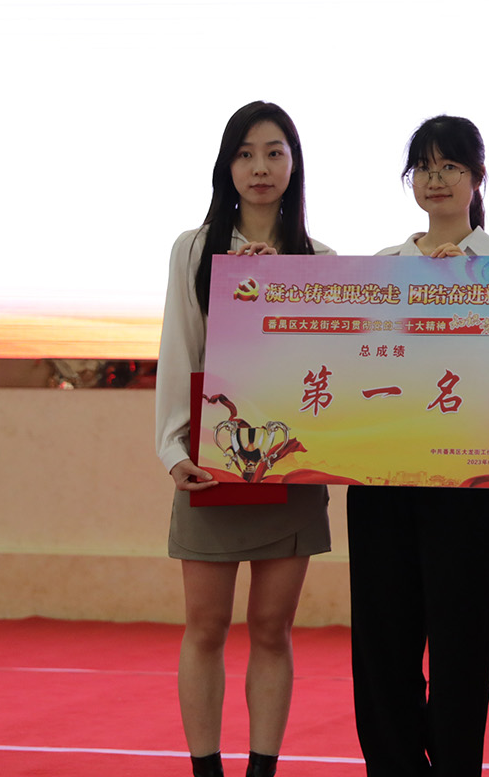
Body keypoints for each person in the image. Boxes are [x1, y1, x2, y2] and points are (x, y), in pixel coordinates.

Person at [155, 100, 334, 777]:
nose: (260, 167)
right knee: (205, 626)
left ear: (294, 164)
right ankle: (206, 769)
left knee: (271, 629)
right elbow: (179, 349)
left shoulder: (319, 261)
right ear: (226, 166)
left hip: (288, 468)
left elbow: (327, 375)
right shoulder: (195, 249)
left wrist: (283, 285)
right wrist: (173, 450)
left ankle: (263, 769)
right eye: (245, 153)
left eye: (274, 153)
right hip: (211, 463)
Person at [348, 115, 489, 777]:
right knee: (382, 644)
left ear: (478, 178)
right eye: (424, 167)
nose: (436, 180)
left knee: (461, 644)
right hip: (381, 484)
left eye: (451, 167)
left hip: (468, 487)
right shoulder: (380, 269)